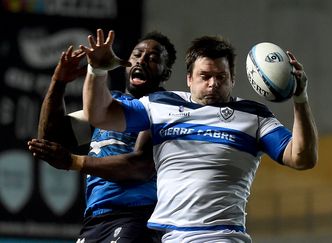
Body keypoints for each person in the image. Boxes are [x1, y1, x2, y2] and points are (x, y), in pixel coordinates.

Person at [52, 29, 317, 242]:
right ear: (189, 78)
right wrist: (96, 71)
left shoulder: (253, 115)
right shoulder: (161, 105)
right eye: (205, 76)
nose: (213, 83)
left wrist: (300, 98)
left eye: (221, 77)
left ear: (233, 79)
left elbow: (301, 157)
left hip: (220, 236)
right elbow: (99, 114)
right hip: (167, 236)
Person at [28, 30, 177, 243]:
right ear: (126, 62)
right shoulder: (109, 106)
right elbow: (52, 137)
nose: (142, 60)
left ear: (165, 73)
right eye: (137, 54)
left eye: (153, 59)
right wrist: (59, 81)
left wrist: (74, 161)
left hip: (136, 216)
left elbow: (140, 167)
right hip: (95, 219)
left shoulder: (162, 105)